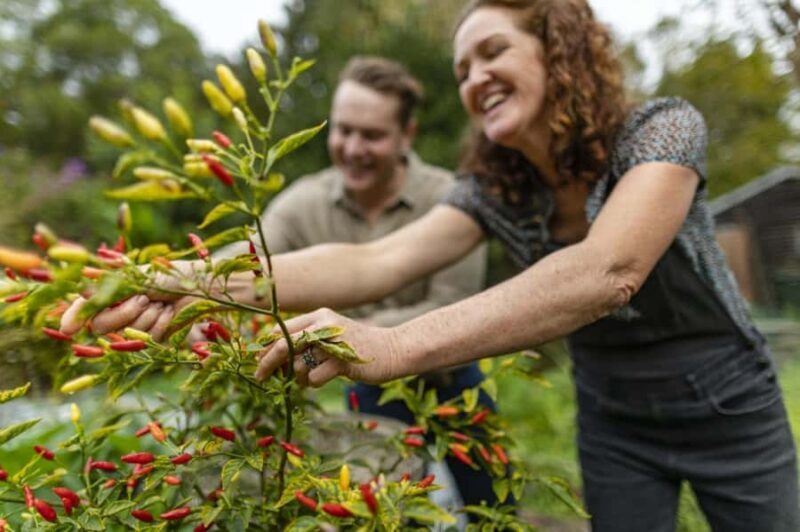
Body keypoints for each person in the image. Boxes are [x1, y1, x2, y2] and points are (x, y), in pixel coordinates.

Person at [62, 0, 800, 530]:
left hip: (727, 403)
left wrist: (390, 346)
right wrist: (190, 283)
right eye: (461, 68)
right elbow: (372, 259)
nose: (473, 77)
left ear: (559, 48)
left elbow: (610, 269)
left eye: (492, 52)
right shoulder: (493, 188)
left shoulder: (662, 129)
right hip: (613, 414)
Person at [216, 55, 496, 510]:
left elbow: (453, 302)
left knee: (488, 505)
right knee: (383, 508)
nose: (352, 147)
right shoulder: (304, 203)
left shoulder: (450, 198)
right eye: (343, 130)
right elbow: (250, 262)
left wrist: (340, 334)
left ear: (407, 135)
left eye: (372, 135)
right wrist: (176, 280)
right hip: (364, 386)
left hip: (450, 380)